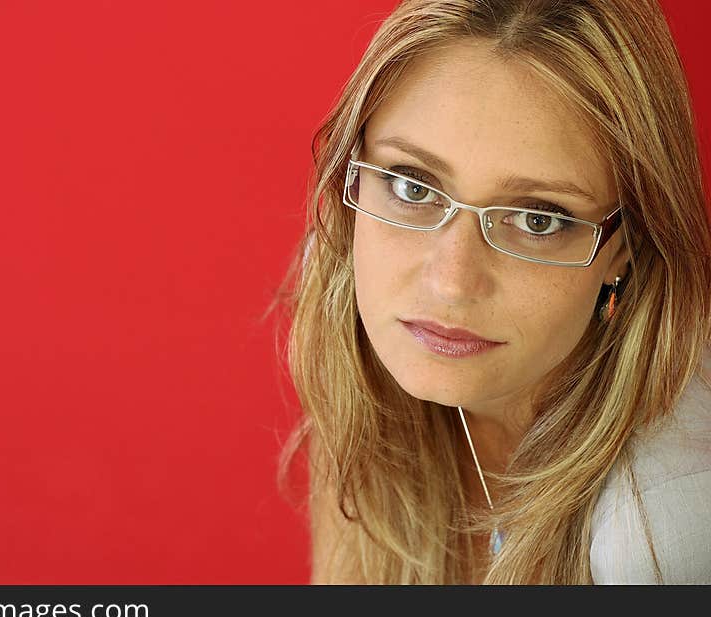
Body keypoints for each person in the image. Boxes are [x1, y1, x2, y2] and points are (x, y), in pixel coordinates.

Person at [272, 0, 711, 584]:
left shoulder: (661, 536)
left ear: (623, 251)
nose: (450, 283)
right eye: (411, 185)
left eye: (537, 220)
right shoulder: (356, 319)